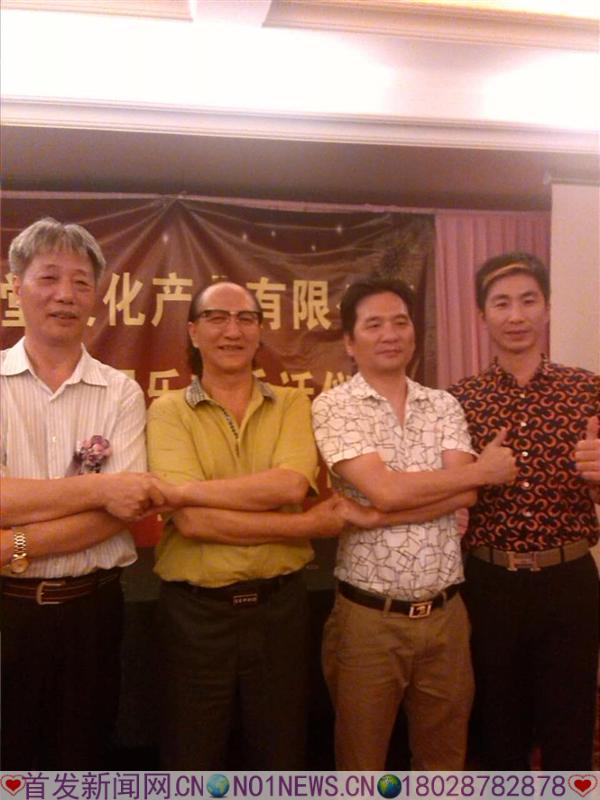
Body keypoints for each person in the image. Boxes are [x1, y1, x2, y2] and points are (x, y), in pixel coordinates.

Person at [311, 276, 518, 770]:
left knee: (443, 764)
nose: (390, 334)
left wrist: (375, 514)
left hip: (446, 616)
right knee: (361, 765)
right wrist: (478, 472)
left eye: (400, 322)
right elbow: (388, 487)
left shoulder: (443, 404)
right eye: (374, 324)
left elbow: (464, 493)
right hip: (369, 619)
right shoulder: (334, 405)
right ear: (350, 342)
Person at [146, 281, 348, 770]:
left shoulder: (293, 403)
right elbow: (193, 524)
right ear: (193, 332)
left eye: (245, 319)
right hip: (196, 615)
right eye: (216, 317)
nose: (232, 331)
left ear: (259, 331)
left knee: (281, 756)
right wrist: (306, 525)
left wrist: (186, 491)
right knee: (192, 759)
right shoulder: (167, 410)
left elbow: (289, 486)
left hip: (280, 609)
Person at [0, 217, 166, 769]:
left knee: (83, 760)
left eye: (80, 282)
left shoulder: (121, 392)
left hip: (93, 612)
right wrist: (97, 488)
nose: (65, 295)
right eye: (49, 277)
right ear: (17, 286)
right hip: (7, 612)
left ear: (96, 296)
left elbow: (121, 511)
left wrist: (12, 543)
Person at [448, 252, 600, 770]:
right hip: (490, 583)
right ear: (482, 315)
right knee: (497, 731)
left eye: (528, 301)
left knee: (571, 730)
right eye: (501, 303)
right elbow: (447, 492)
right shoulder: (458, 401)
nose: (516, 316)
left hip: (569, 582)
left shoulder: (587, 390)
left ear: (547, 308)